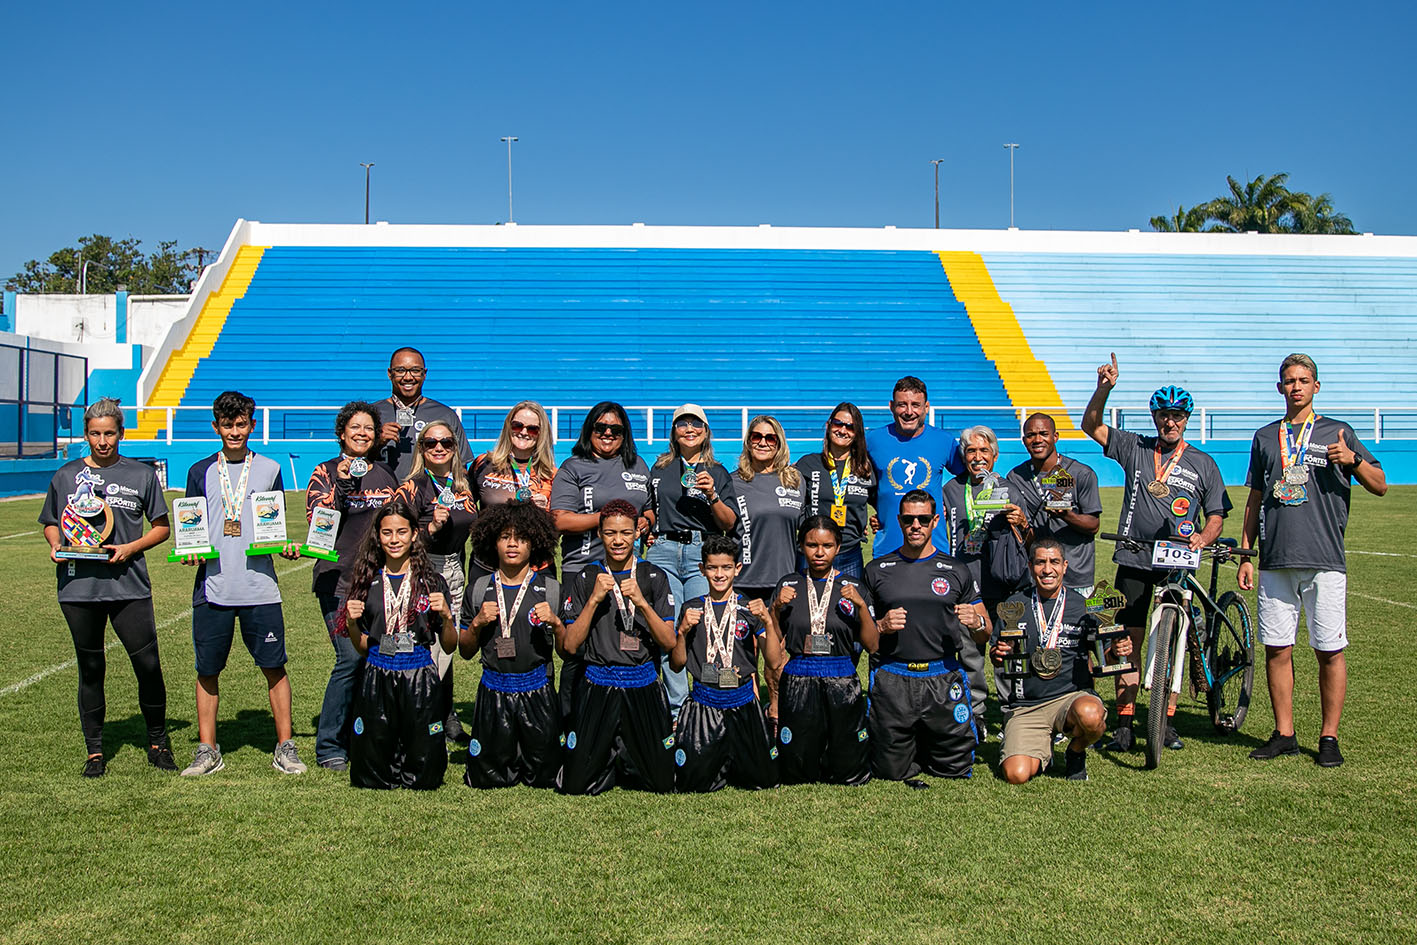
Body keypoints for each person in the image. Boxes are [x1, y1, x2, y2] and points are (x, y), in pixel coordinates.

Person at [1238, 354, 1386, 767]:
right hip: (1276, 560)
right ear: (1279, 387)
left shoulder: (1339, 433)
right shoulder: (1266, 437)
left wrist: (1352, 460)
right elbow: (1254, 499)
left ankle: (1328, 737)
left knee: (1329, 650)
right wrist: (1248, 553)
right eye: (1289, 381)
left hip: (1324, 559)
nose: (1296, 387)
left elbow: (1380, 484)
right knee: (1277, 649)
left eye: (1304, 380)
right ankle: (1284, 732)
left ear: (1316, 386)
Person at [1081, 354, 1230, 753]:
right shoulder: (1134, 446)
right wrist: (1104, 388)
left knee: (1174, 640)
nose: (1171, 421)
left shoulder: (1203, 463)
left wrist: (1203, 536)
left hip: (1177, 561)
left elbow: (1216, 514)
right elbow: (1091, 425)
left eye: (1178, 415)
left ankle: (1165, 721)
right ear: (1154, 417)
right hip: (1133, 556)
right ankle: (1126, 724)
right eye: (1164, 414)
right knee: (1125, 641)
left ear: (1187, 418)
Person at [39, 398, 175, 777]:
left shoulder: (141, 475)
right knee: (91, 666)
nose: (103, 441)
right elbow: (51, 522)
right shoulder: (66, 476)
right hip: (79, 589)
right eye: (96, 434)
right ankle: (95, 751)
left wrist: (130, 547)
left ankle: (157, 743)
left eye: (109, 433)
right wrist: (55, 545)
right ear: (86, 434)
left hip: (129, 586)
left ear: (121, 433)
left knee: (147, 665)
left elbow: (162, 527)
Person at [177, 391, 305, 777]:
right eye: (227, 425)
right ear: (216, 427)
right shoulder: (199, 471)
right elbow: (191, 528)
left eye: (241, 424)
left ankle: (285, 746)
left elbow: (273, 526)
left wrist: (282, 547)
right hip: (212, 587)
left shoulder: (268, 468)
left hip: (259, 587)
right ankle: (207, 749)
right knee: (208, 670)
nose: (235, 431)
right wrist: (191, 551)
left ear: (251, 424)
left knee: (274, 666)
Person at [863, 490, 990, 784]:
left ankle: (927, 737)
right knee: (889, 771)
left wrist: (977, 621)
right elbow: (865, 638)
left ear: (935, 521)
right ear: (899, 521)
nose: (915, 525)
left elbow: (985, 634)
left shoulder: (956, 569)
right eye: (908, 519)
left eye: (922, 519)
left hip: (942, 676)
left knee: (954, 770)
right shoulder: (877, 569)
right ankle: (910, 738)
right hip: (894, 675)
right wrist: (880, 625)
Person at [557, 500, 679, 795]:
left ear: (637, 533)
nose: (618, 540)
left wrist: (641, 603)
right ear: (599, 533)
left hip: (643, 683)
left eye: (625, 533)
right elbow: (570, 646)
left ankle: (628, 760)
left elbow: (669, 642)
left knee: (662, 783)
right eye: (610, 533)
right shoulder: (587, 577)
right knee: (575, 785)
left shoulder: (653, 577)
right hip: (599, 682)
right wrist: (594, 600)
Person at [305, 401, 400, 772]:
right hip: (339, 582)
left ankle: (369, 734)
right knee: (350, 658)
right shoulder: (324, 472)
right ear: (342, 433)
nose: (362, 433)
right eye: (354, 427)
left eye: (368, 428)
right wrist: (343, 482)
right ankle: (329, 744)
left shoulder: (386, 474)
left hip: (379, 583)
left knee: (381, 658)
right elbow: (318, 519)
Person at [991, 538, 1131, 783]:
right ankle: (1042, 747)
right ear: (1030, 566)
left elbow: (1106, 658)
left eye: (1054, 562)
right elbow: (996, 657)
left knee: (1091, 715)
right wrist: (999, 653)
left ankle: (1075, 751)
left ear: (1065, 566)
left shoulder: (1084, 607)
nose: (1047, 570)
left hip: (1070, 698)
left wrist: (1118, 649)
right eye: (1040, 563)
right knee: (1016, 775)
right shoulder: (1014, 606)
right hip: (1027, 705)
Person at [340, 501, 457, 790]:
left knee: (425, 771)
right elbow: (363, 646)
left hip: (419, 673)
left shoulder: (432, 581)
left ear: (414, 534)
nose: (394, 540)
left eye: (402, 532)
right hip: (378, 672)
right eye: (387, 533)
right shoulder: (367, 580)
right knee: (373, 764)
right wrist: (352, 624)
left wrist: (446, 617)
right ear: (378, 537)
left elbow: (450, 644)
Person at [548, 402, 652, 721]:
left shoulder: (638, 466)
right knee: (577, 651)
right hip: (582, 569)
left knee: (626, 645)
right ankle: (571, 723)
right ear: (589, 430)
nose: (608, 434)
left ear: (625, 434)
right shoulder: (574, 467)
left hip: (626, 571)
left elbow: (648, 509)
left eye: (616, 430)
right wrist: (607, 519)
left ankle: (622, 717)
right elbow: (560, 520)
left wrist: (644, 521)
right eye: (600, 428)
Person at [459, 502, 564, 789]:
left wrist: (556, 623)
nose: (513, 544)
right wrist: (477, 623)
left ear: (536, 543)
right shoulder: (478, 589)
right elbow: (465, 651)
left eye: (522, 538)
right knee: (485, 778)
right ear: (493, 542)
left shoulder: (551, 588)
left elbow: (567, 651)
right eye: (505, 536)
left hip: (537, 691)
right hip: (494, 690)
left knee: (544, 777)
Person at [671, 535, 784, 792]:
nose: (719, 574)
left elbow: (775, 662)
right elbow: (677, 665)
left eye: (726, 567)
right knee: (692, 783)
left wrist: (767, 622)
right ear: (702, 569)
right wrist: (682, 633)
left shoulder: (749, 608)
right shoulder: (692, 608)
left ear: (737, 568)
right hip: (704, 703)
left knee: (763, 780)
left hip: (743, 703)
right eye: (712, 567)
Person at [646, 404, 738, 714]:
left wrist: (712, 496)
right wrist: (647, 525)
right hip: (664, 550)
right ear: (673, 431)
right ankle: (677, 708)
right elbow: (650, 508)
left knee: (704, 626)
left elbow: (728, 523)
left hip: (703, 552)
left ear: (706, 430)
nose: (689, 429)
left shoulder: (719, 472)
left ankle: (707, 701)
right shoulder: (659, 468)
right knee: (669, 629)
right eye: (682, 423)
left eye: (696, 423)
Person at [772, 516, 877, 785]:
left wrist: (861, 606)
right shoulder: (788, 584)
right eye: (812, 545)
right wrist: (775, 610)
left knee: (847, 766)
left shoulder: (853, 587)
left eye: (827, 545)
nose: (819, 552)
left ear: (838, 547)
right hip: (798, 675)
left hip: (840, 675)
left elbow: (872, 644)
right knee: (797, 767)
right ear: (801, 546)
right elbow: (774, 641)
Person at [941, 424, 1029, 730]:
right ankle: (975, 712)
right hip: (966, 584)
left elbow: (1028, 538)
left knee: (1006, 651)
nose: (978, 457)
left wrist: (1020, 522)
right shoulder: (951, 489)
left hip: (1004, 583)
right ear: (963, 456)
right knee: (970, 652)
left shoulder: (1009, 488)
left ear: (994, 454)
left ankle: (1010, 713)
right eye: (971, 451)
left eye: (984, 450)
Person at [396, 419, 477, 743]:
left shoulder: (462, 486)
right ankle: (415, 723)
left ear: (456, 448)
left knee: (446, 646)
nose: (439, 448)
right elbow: (396, 538)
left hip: (456, 569)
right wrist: (429, 529)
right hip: (423, 571)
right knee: (420, 648)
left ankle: (437, 720)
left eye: (446, 442)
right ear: (421, 449)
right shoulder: (412, 487)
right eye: (431, 443)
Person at [865, 376, 965, 558]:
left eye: (916, 405)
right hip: (888, 550)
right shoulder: (873, 440)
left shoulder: (944, 441)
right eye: (902, 404)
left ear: (926, 407)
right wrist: (874, 510)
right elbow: (859, 482)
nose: (909, 411)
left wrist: (948, 505)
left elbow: (967, 481)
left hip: (934, 549)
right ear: (891, 406)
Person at [1004, 412, 1102, 592]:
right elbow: (1021, 531)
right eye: (1031, 435)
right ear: (1024, 440)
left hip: (1076, 577)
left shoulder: (1081, 473)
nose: (1037, 439)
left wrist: (1067, 515)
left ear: (1055, 437)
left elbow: (1094, 525)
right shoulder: (1016, 477)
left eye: (1043, 434)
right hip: (1038, 577)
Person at [796, 402, 876, 577]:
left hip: (849, 553)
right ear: (828, 425)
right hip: (811, 552)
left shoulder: (866, 469)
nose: (843, 430)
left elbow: (882, 502)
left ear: (857, 434)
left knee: (849, 603)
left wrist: (876, 519)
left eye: (850, 427)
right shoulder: (807, 464)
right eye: (838, 424)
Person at [730, 415, 804, 602]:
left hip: (785, 582)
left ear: (779, 444)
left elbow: (806, 526)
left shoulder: (796, 481)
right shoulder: (733, 481)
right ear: (748, 442)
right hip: (743, 582)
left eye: (770, 438)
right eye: (757, 437)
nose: (763, 443)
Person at [373, 346, 472, 478]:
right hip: (381, 495)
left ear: (424, 374)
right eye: (401, 370)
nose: (408, 377)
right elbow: (350, 460)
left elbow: (460, 467)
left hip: (428, 497)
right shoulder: (371, 415)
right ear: (390, 373)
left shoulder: (445, 415)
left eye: (415, 370)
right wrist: (376, 442)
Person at [471, 401, 557, 512]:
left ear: (542, 433)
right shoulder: (483, 463)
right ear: (508, 426)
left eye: (532, 429)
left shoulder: (550, 474)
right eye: (517, 426)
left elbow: (559, 520)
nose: (524, 432)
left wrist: (547, 509)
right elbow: (465, 513)